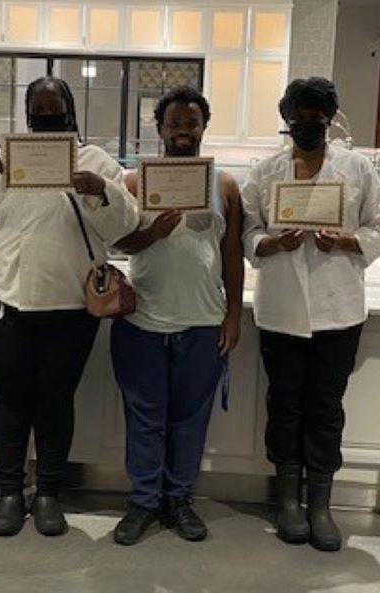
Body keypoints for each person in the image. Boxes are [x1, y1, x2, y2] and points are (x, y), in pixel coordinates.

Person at [0, 76, 139, 537]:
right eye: (37, 113)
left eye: (53, 110)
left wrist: (99, 189)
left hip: (71, 307)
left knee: (56, 400)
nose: (45, 119)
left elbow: (122, 226)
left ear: (69, 111)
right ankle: (11, 492)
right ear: (27, 115)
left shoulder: (96, 160)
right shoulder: (6, 160)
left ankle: (48, 493)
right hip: (7, 301)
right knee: (9, 399)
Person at [241, 77, 380, 551]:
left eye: (317, 114)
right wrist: (271, 242)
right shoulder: (266, 171)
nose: (308, 122)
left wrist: (348, 240)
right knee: (285, 405)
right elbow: (247, 229)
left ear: (329, 118)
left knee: (326, 409)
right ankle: (287, 501)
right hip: (281, 309)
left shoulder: (356, 168)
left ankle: (321, 505)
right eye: (299, 114)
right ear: (286, 117)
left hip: (339, 310)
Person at [108, 87, 244, 545]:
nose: (183, 131)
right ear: (159, 129)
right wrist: (152, 234)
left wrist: (233, 318)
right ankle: (144, 501)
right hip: (142, 320)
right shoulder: (133, 182)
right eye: (174, 124)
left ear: (203, 126)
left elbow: (232, 254)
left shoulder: (224, 185)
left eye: (191, 123)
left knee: (190, 418)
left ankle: (179, 499)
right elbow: (118, 245)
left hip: (203, 320)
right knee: (144, 416)